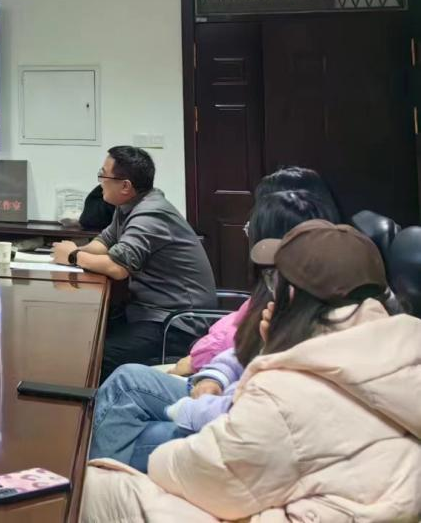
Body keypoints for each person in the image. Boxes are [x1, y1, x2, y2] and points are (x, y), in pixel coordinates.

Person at [82, 220, 421, 522]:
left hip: (283, 499)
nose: (270, 293)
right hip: (308, 480)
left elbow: (210, 475)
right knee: (127, 389)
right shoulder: (393, 340)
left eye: (277, 281)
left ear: (294, 294)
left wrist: (158, 454)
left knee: (98, 484)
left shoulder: (287, 387)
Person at [88, 186, 339, 471]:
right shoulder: (283, 287)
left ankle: (96, 482)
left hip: (234, 427)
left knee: (119, 427)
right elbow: (243, 351)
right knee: (124, 383)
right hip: (222, 393)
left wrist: (194, 404)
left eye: (251, 229)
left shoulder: (307, 310)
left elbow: (258, 409)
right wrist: (214, 376)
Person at [51, 146, 216, 378]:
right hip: (149, 312)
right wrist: (75, 251)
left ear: (125, 186)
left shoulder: (150, 214)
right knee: (84, 335)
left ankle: (98, 402)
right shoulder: (130, 206)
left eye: (103, 175)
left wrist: (73, 256)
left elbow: (118, 268)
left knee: (97, 355)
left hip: (177, 324)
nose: (100, 182)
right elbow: (105, 241)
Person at [171, 167, 337, 376]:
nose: (249, 227)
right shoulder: (291, 277)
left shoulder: (291, 288)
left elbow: (248, 352)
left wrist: (200, 360)